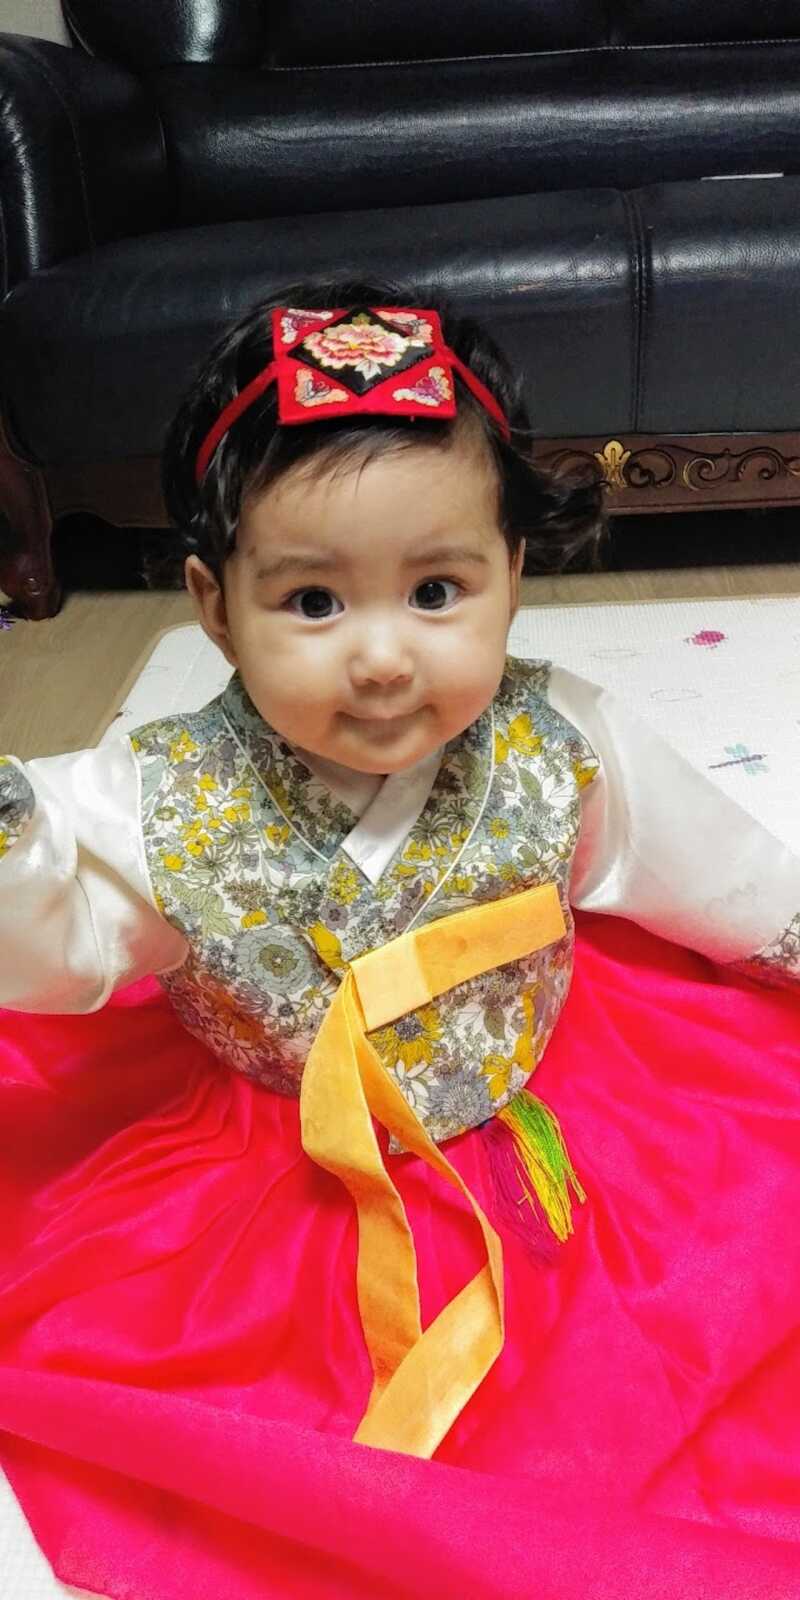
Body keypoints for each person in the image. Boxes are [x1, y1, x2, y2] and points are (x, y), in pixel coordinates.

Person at [1, 279, 799, 1598]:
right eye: (313, 604)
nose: (381, 658)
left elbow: (710, 873)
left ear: (513, 577)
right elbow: (62, 948)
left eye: (437, 590)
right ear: (213, 603)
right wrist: (22, 844)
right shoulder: (162, 792)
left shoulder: (564, 743)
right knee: (281, 1486)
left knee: (646, 1381)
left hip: (555, 1119)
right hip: (273, 1170)